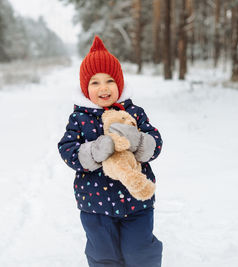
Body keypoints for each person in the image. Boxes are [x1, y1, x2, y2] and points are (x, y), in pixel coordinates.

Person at [58, 35, 163, 267]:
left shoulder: (134, 113)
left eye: (110, 81)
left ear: (120, 84)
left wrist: (136, 141)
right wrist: (95, 151)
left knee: (141, 252)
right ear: (86, 88)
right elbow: (67, 150)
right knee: (104, 256)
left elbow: (155, 142)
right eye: (95, 82)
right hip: (95, 205)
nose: (103, 88)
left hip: (137, 200)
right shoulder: (79, 117)